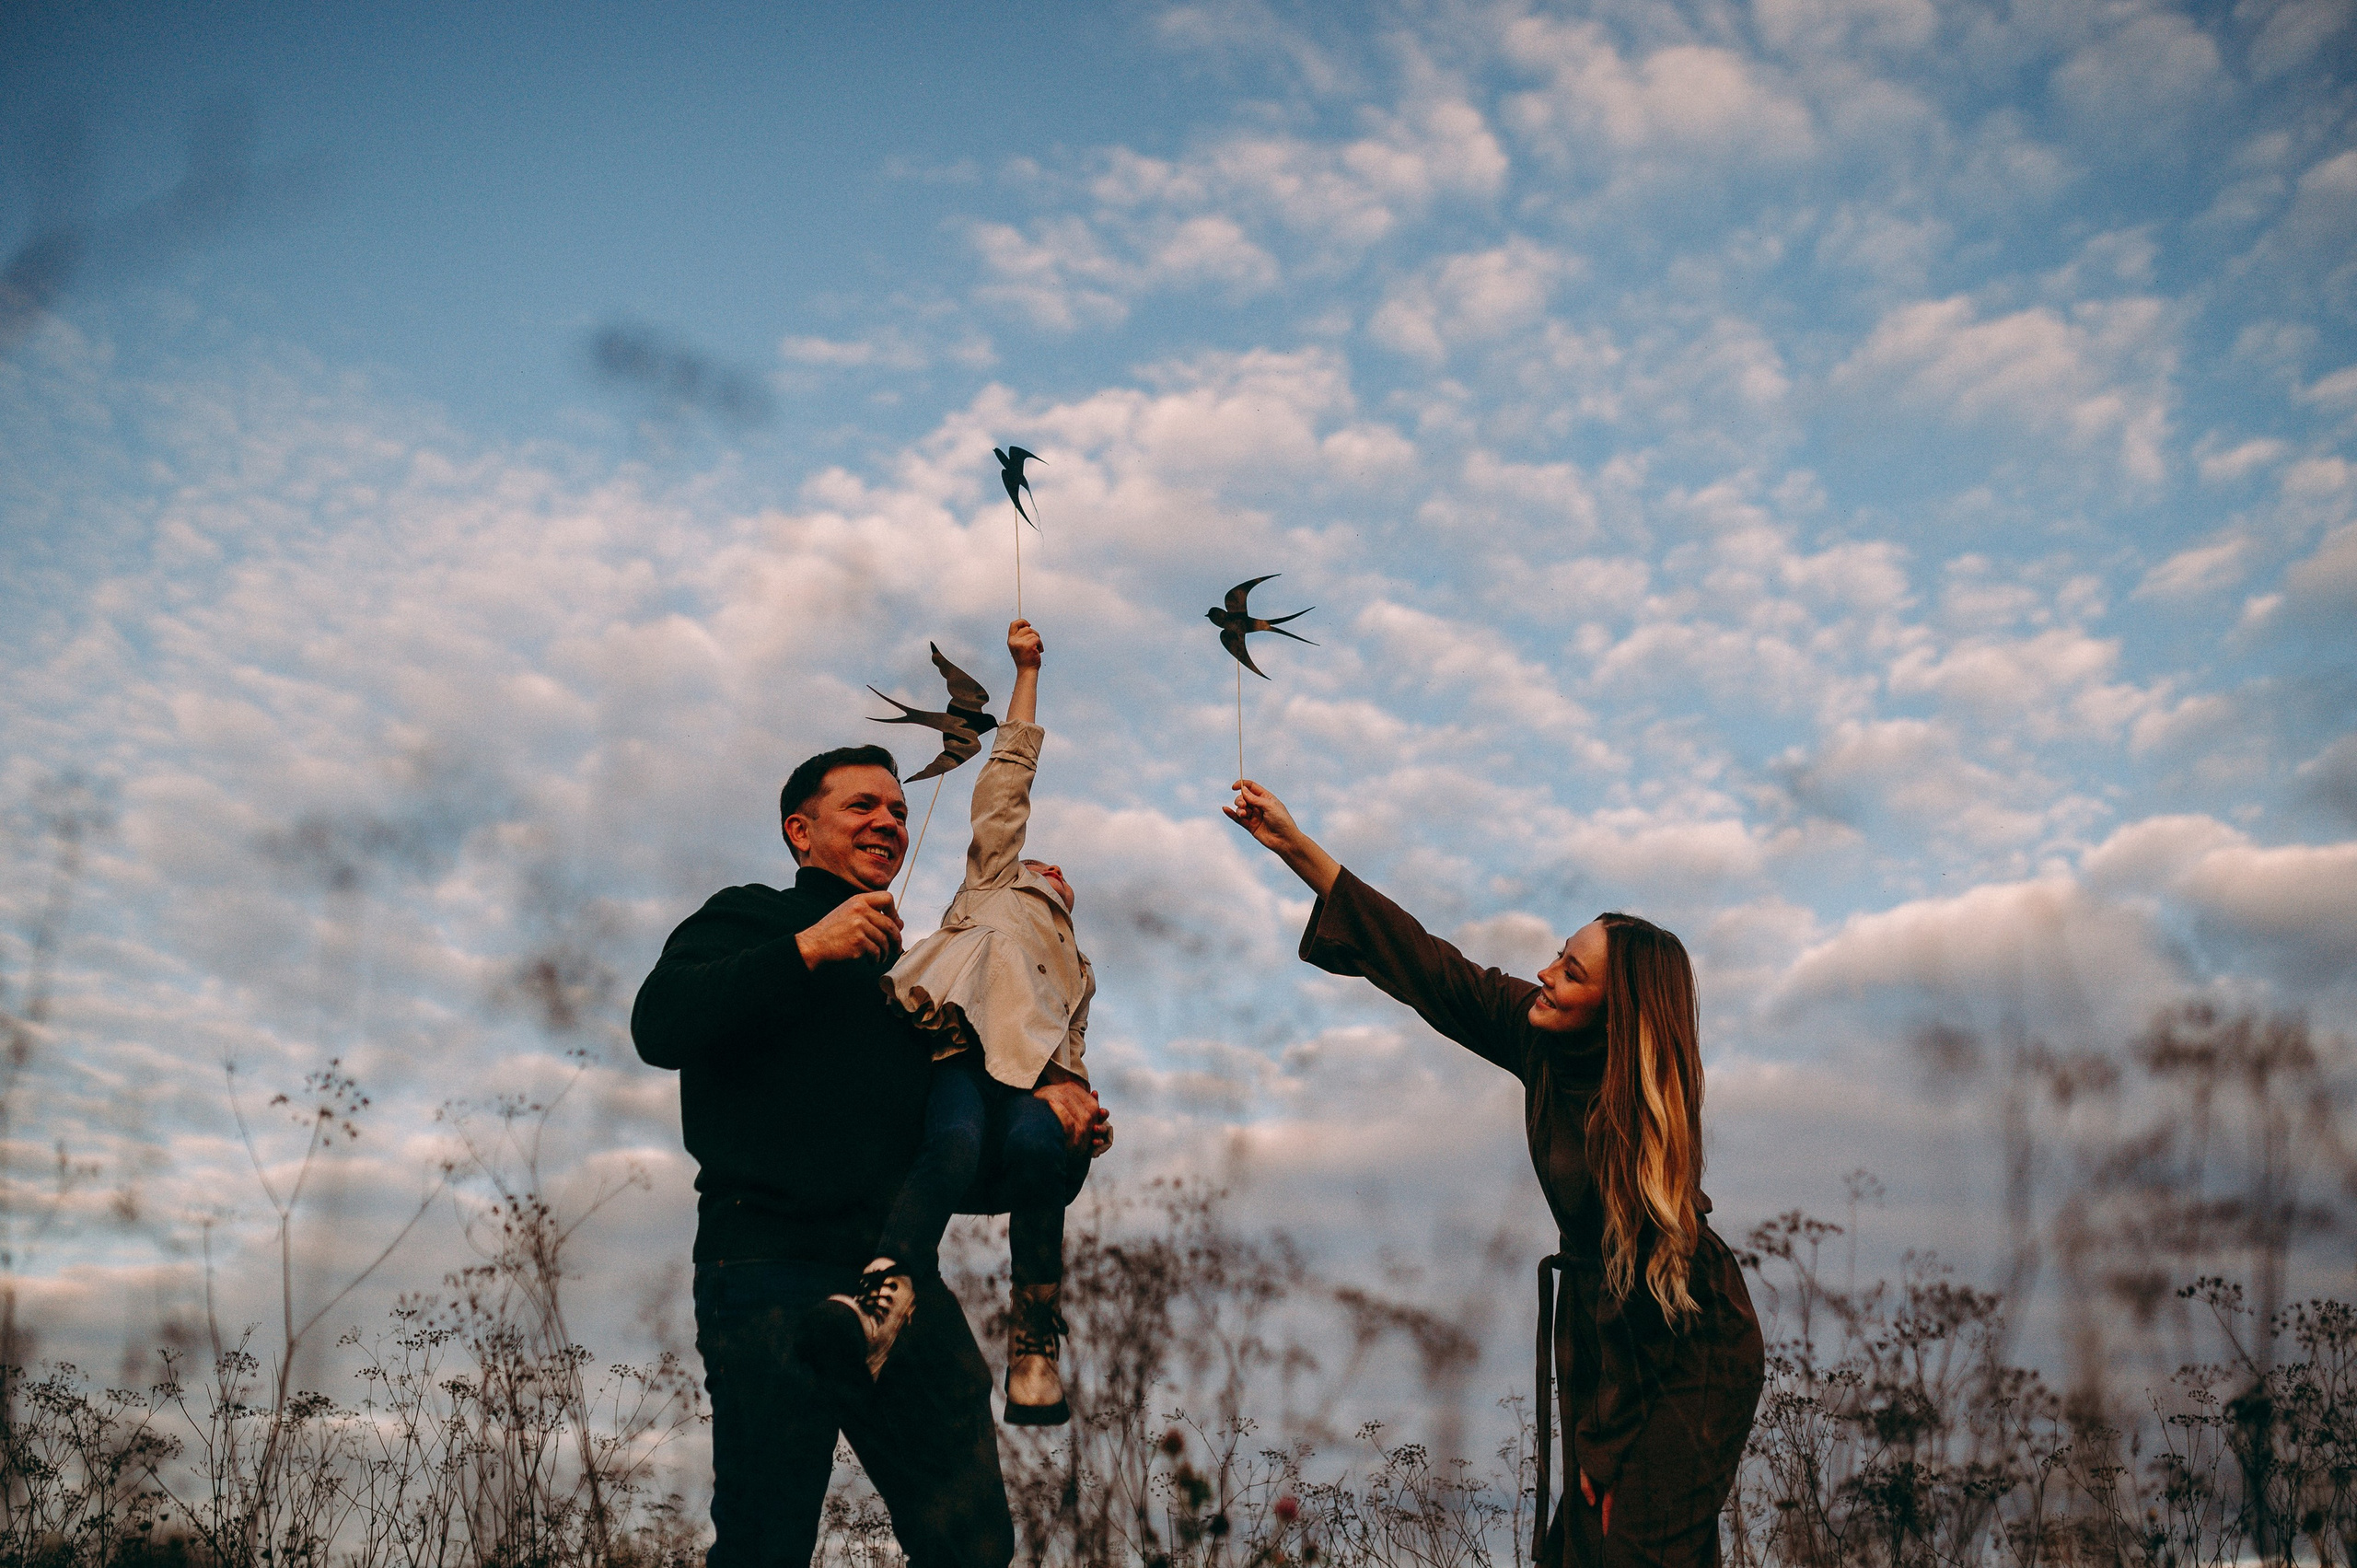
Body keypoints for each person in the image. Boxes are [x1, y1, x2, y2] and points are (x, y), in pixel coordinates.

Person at [1224, 778, 1765, 1568]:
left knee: (1630, 1552)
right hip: (1610, 1344)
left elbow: (1649, 1317)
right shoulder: (1537, 1033)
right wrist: (1297, 846)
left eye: (1573, 972)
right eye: (1558, 953)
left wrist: (1606, 1452)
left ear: (1618, 1012)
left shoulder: (1631, 1134)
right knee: (1588, 1550)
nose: (1547, 971)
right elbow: (1431, 968)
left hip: (1687, 1351)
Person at [633, 739, 1042, 1567]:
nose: (888, 820)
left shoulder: (915, 982)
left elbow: (940, 1161)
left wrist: (1049, 1142)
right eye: (862, 805)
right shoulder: (751, 916)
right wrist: (806, 948)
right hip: (766, 1267)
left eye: (897, 809)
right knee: (767, 1540)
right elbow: (659, 1024)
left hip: (893, 1284)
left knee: (972, 1543)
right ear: (799, 829)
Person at [805, 617, 1111, 1425]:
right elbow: (1008, 777)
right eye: (1045, 867)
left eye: (1061, 878)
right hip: (952, 1053)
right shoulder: (995, 883)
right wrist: (1027, 671)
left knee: (1042, 1141)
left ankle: (1034, 1343)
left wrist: (1082, 1104)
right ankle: (887, 1291)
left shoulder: (1079, 970)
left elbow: (1068, 1054)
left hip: (1027, 1086)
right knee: (955, 1137)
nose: (1056, 872)